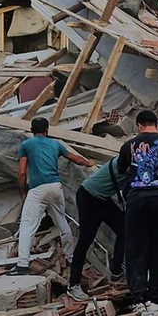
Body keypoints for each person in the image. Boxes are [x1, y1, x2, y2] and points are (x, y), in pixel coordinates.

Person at [117, 110, 158, 309]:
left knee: (136, 247)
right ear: (156, 124)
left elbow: (121, 169)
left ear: (139, 126)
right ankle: (155, 295)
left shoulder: (128, 145)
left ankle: (138, 295)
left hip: (136, 200)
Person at [11, 117, 93, 276]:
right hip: (55, 186)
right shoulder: (55, 144)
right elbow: (75, 158)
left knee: (27, 225)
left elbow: (21, 172)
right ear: (47, 130)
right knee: (62, 222)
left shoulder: (26, 145)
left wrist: (22, 192)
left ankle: (22, 265)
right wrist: (88, 162)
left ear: (32, 129)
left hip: (37, 189)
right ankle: (70, 257)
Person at [67, 158, 126, 300]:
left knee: (125, 229)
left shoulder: (138, 160)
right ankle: (73, 285)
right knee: (85, 240)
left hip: (103, 198)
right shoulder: (131, 162)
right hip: (89, 196)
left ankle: (117, 271)